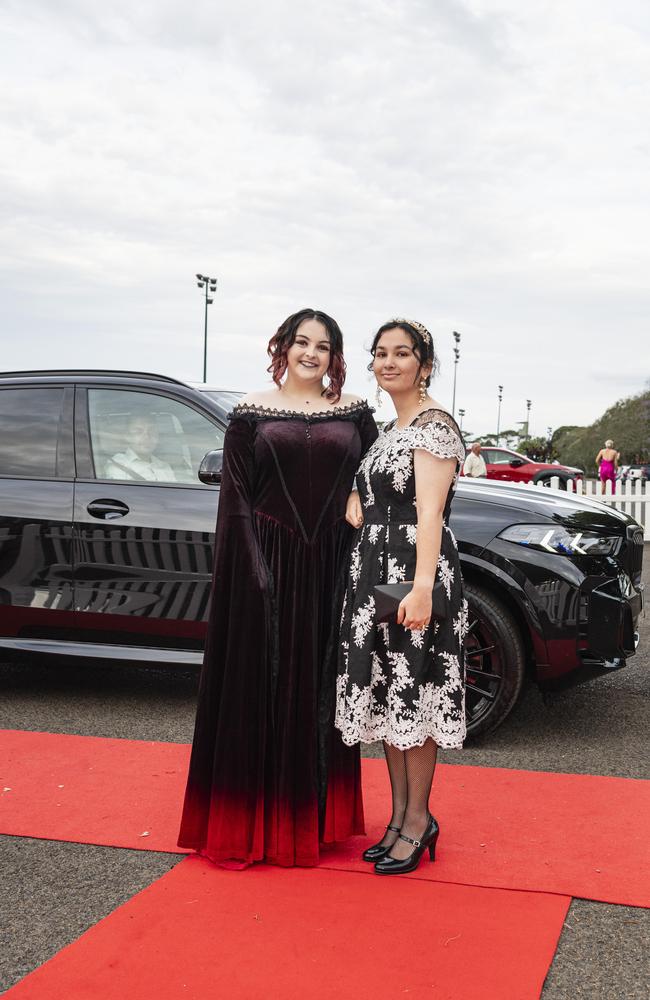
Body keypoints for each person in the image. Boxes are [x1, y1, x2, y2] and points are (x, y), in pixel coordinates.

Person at [178, 308, 378, 867]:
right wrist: (254, 571)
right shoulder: (249, 414)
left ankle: (316, 821)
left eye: (323, 345)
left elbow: (379, 474)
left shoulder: (357, 414)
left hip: (336, 561)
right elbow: (235, 499)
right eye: (301, 342)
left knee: (323, 686)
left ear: (335, 356)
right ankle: (258, 824)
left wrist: (361, 495)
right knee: (264, 685)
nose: (310, 353)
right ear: (283, 348)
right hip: (266, 561)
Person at [335, 318, 467, 876]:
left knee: (415, 693)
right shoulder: (394, 427)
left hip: (414, 575)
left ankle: (419, 822)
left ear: (425, 364)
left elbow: (431, 512)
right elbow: (388, 486)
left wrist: (419, 588)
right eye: (380, 354)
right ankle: (398, 819)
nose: (388, 363)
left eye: (401, 354)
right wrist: (354, 493)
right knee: (389, 697)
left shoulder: (434, 426)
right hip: (375, 576)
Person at [105, 414, 176, 481]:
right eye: (138, 432)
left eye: (151, 430)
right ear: (128, 436)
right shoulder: (118, 465)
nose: (147, 436)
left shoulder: (164, 466)